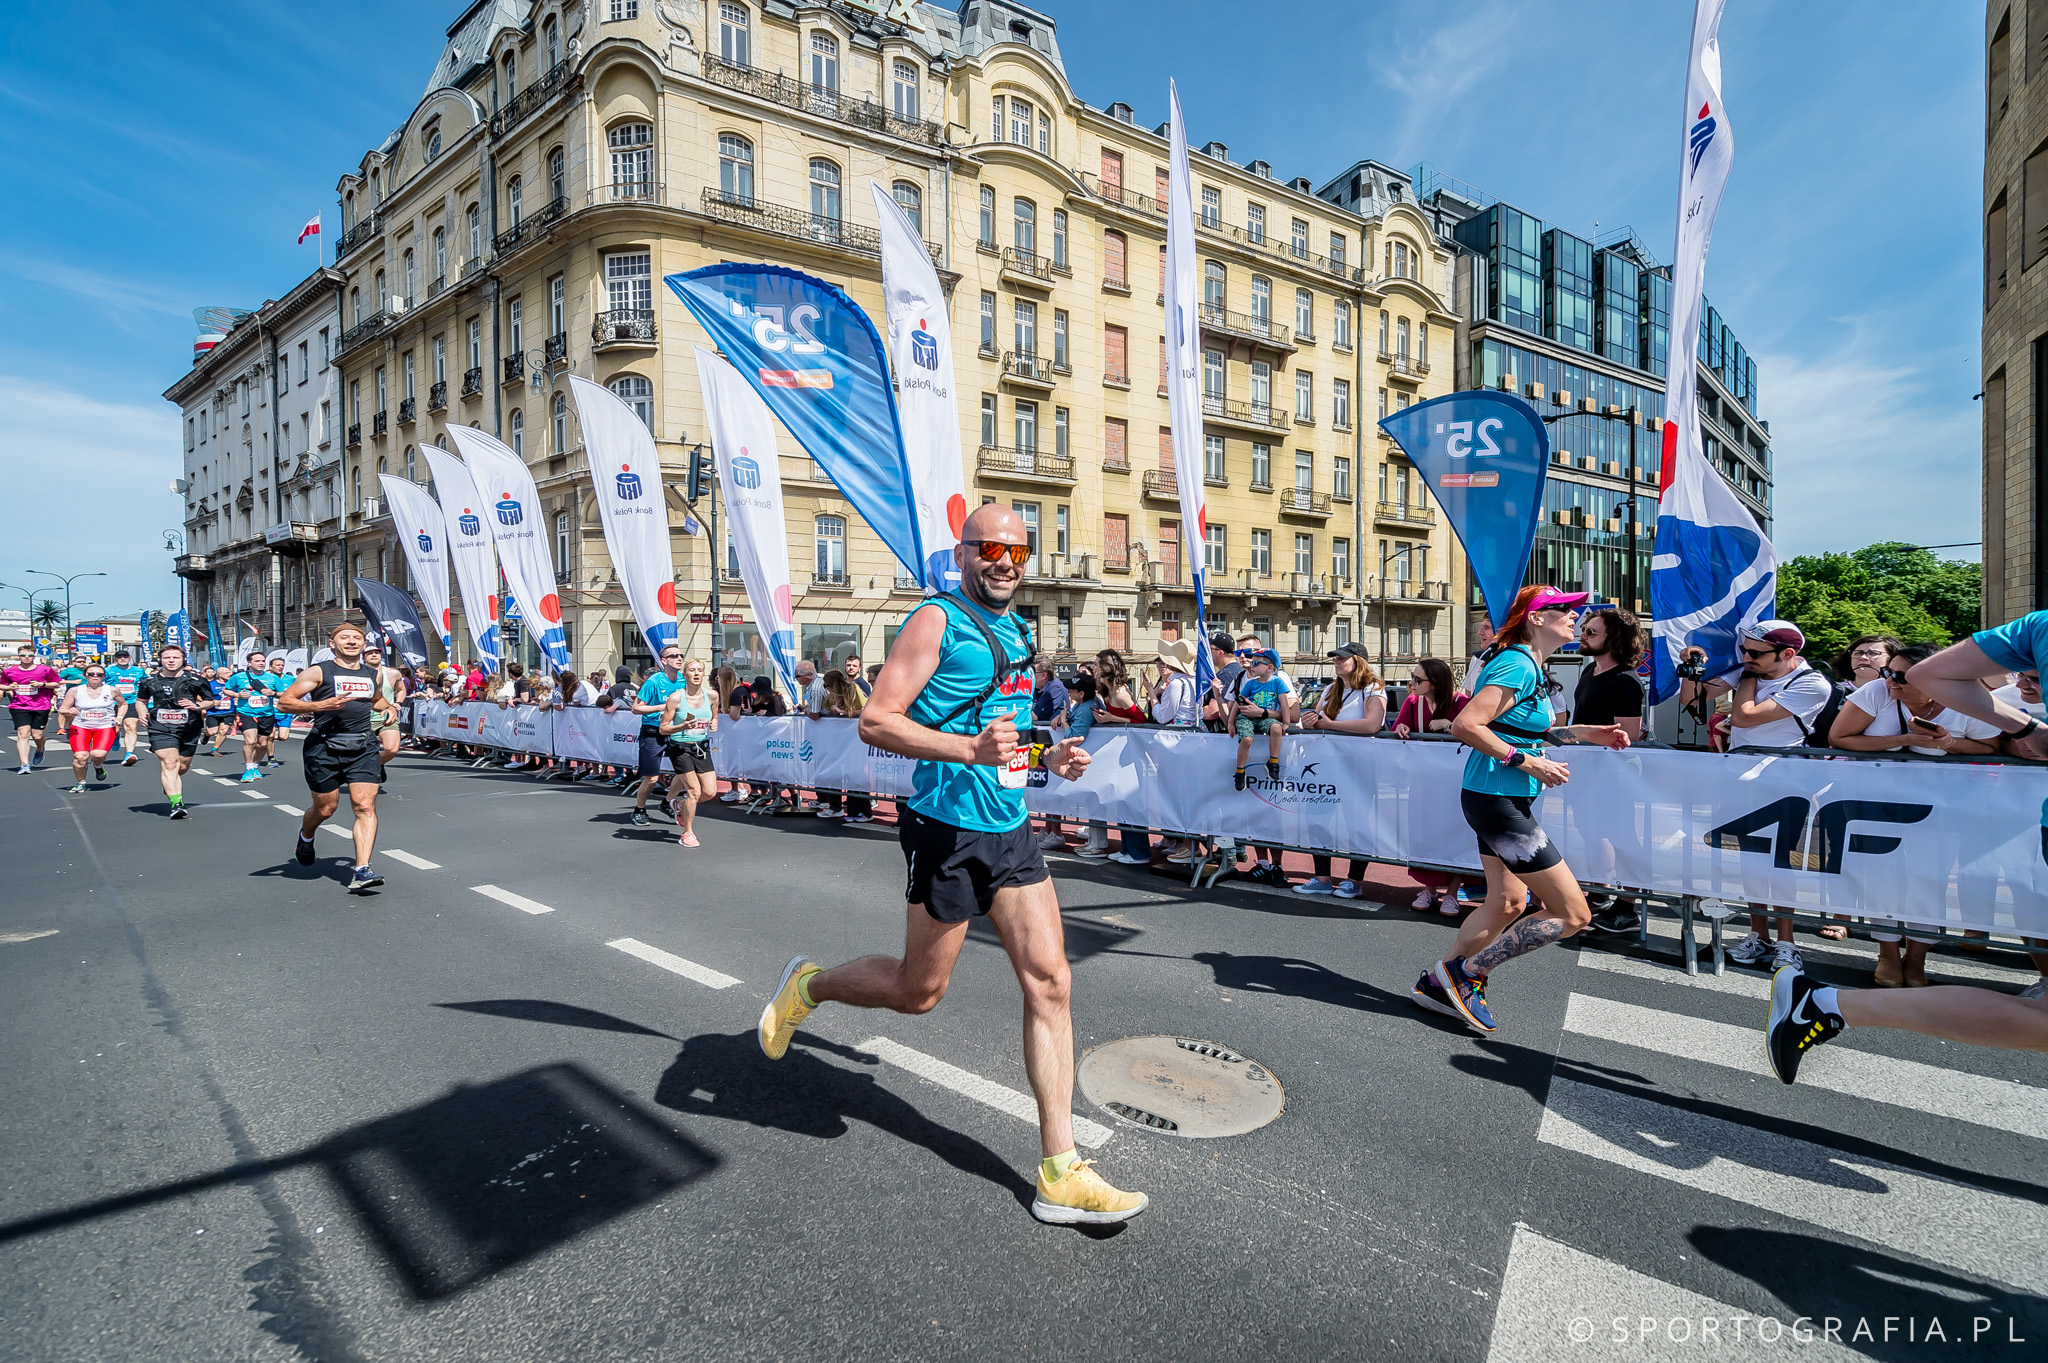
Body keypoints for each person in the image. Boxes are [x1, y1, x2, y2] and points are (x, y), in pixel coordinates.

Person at [755, 504, 1145, 1225]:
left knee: (1052, 981)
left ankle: (1060, 1170)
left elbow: (1002, 736)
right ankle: (808, 986)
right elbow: (877, 719)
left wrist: (1047, 754)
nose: (1005, 561)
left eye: (1018, 552)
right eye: (991, 547)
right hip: (947, 830)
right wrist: (970, 753)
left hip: (1011, 829)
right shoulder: (936, 619)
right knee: (917, 991)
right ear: (964, 552)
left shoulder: (1018, 630)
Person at [1410, 587, 1633, 1034]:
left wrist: (1589, 733)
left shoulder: (1530, 664)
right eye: (1564, 610)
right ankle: (1467, 974)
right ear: (1535, 618)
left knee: (1509, 901)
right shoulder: (1516, 663)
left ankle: (1440, 982)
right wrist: (1523, 761)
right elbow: (1466, 724)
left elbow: (1528, 731)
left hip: (1497, 797)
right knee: (1573, 915)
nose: (1575, 616)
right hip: (1497, 800)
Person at [1678, 620, 1835, 972]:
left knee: (1779, 863)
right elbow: (1691, 699)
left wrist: (1745, 678)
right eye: (1744, 650)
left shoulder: (1810, 682)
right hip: (1742, 780)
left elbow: (1746, 717)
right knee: (1750, 860)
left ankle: (1787, 941)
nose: (1745, 657)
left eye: (1755, 653)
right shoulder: (1750, 669)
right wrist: (1693, 669)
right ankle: (1758, 933)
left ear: (1788, 654)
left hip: (1786, 783)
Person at [277, 622, 392, 892]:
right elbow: (285, 702)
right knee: (326, 809)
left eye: (356, 638)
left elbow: (376, 700)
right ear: (332, 644)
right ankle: (306, 836)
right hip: (324, 747)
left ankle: (362, 869)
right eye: (345, 638)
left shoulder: (370, 673)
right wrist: (319, 705)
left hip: (363, 746)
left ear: (364, 645)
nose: (351, 641)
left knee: (365, 806)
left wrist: (390, 708)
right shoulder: (319, 671)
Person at [1569, 608, 1648, 935]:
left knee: (1622, 837)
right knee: (1590, 832)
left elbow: (1630, 736)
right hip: (1586, 771)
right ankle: (1600, 892)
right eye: (1584, 630)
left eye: (1591, 632)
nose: (1582, 635)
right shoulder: (1589, 673)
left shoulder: (1626, 682)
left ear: (1614, 640)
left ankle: (1628, 907)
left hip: (1613, 776)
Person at [1292, 643, 1391, 899]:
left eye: (1341, 658)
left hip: (1358, 767)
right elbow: (1315, 720)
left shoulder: (1373, 688)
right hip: (1327, 766)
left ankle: (1354, 881)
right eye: (1334, 658)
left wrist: (1332, 725)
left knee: (1357, 823)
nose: (1336, 661)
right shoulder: (1330, 689)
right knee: (1316, 819)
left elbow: (1371, 724)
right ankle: (1322, 878)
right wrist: (1308, 721)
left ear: (1358, 661)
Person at [1090, 649, 1152, 865]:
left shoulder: (1120, 693)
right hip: (1122, 753)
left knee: (1130, 800)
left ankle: (1138, 851)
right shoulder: (1109, 691)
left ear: (1107, 666)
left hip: (1131, 754)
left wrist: (1110, 718)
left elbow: (1142, 721)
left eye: (1097, 664)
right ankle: (1128, 848)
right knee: (1122, 801)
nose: (1094, 667)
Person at [135, 644, 212, 818]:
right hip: (160, 727)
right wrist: (142, 713)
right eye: (167, 657)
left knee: (182, 767)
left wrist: (197, 706)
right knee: (170, 762)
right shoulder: (148, 681)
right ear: (160, 660)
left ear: (183, 659)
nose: (171, 661)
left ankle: (169, 783)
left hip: (189, 727)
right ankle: (176, 804)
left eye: (175, 657)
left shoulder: (196, 680)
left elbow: (210, 701)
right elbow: (141, 701)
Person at [657, 658, 719, 847]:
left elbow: (714, 715)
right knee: (694, 791)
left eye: (700, 670)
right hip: (679, 747)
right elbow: (663, 728)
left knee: (709, 792)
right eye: (692, 670)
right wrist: (681, 726)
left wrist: (715, 721)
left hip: (701, 746)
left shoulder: (712, 696)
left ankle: (679, 805)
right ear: (685, 675)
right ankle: (687, 833)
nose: (696, 673)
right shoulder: (676, 698)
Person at [630, 646, 689, 825]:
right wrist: (663, 707)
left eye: (681, 655)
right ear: (664, 661)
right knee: (652, 778)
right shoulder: (654, 681)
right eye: (674, 656)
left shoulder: (683, 681)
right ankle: (639, 810)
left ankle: (666, 802)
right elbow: (636, 708)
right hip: (653, 731)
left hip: (675, 730)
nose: (679, 658)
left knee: (686, 772)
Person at [1228, 647, 1289, 790]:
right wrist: (1231, 722)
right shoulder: (1250, 683)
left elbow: (1284, 703)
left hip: (1263, 718)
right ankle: (1240, 770)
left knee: (1276, 728)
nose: (1251, 665)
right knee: (1247, 739)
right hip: (1246, 717)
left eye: (1256, 663)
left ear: (1269, 667)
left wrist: (1286, 723)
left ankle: (1273, 761)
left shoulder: (1277, 682)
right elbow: (1239, 702)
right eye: (1252, 662)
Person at [57, 663, 121, 792]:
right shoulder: (75, 690)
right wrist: (69, 711)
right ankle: (80, 782)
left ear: (104, 676)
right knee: (80, 757)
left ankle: (98, 766)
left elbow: (123, 704)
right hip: (80, 726)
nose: (95, 676)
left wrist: (119, 717)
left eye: (99, 674)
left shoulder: (111, 690)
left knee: (97, 754)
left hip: (105, 726)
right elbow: (62, 708)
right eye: (91, 674)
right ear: (85, 675)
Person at [3, 644, 63, 775]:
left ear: (34, 656)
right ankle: (24, 764)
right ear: (18, 656)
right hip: (19, 705)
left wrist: (42, 684)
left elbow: (57, 683)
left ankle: (40, 747)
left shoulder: (44, 670)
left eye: (29, 655)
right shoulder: (9, 671)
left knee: (37, 735)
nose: (26, 658)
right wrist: (9, 687)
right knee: (23, 734)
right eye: (23, 655)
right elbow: (2, 684)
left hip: (41, 705)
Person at [225, 649, 279, 783]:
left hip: (266, 714)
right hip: (246, 713)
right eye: (257, 661)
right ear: (249, 663)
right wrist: (238, 695)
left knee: (262, 744)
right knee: (250, 741)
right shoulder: (239, 677)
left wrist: (272, 694)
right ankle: (248, 768)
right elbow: (226, 689)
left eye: (263, 661)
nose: (261, 663)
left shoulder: (272, 678)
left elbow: (284, 692)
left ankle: (255, 766)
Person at [362, 643, 408, 782]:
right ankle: (365, 768)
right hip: (363, 718)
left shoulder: (392, 673)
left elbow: (401, 690)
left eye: (377, 652)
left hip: (387, 716)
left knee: (392, 749)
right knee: (359, 752)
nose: (374, 655)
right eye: (370, 653)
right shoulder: (358, 673)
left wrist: (398, 703)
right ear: (364, 657)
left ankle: (378, 764)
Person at [841, 653, 875, 823]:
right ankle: (853, 811)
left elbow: (864, 709)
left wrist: (842, 712)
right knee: (851, 774)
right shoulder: (846, 684)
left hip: (859, 735)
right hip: (848, 737)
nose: (851, 668)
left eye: (854, 665)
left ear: (859, 667)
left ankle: (866, 811)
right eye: (848, 665)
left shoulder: (862, 685)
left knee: (859, 774)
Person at [104, 649, 148, 767]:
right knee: (115, 728)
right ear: (115, 659)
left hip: (131, 702)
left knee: (131, 726)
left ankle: (129, 753)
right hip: (112, 703)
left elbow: (146, 683)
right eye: (119, 657)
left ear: (129, 658)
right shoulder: (108, 670)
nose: (122, 659)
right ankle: (115, 737)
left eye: (125, 657)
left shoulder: (138, 671)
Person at [263, 653, 296, 762]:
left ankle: (265, 739)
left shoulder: (290, 679)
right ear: (270, 667)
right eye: (277, 665)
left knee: (283, 737)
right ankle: (271, 757)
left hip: (285, 712)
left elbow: (296, 692)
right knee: (271, 734)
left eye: (282, 665)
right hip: (270, 712)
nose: (280, 667)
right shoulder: (266, 678)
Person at [202, 665, 235, 754]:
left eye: (229, 672)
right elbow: (201, 696)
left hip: (229, 711)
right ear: (219, 674)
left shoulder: (233, 684)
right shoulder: (210, 684)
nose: (229, 674)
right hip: (213, 712)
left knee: (223, 731)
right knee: (212, 732)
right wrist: (212, 702)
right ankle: (206, 734)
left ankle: (215, 749)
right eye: (227, 673)